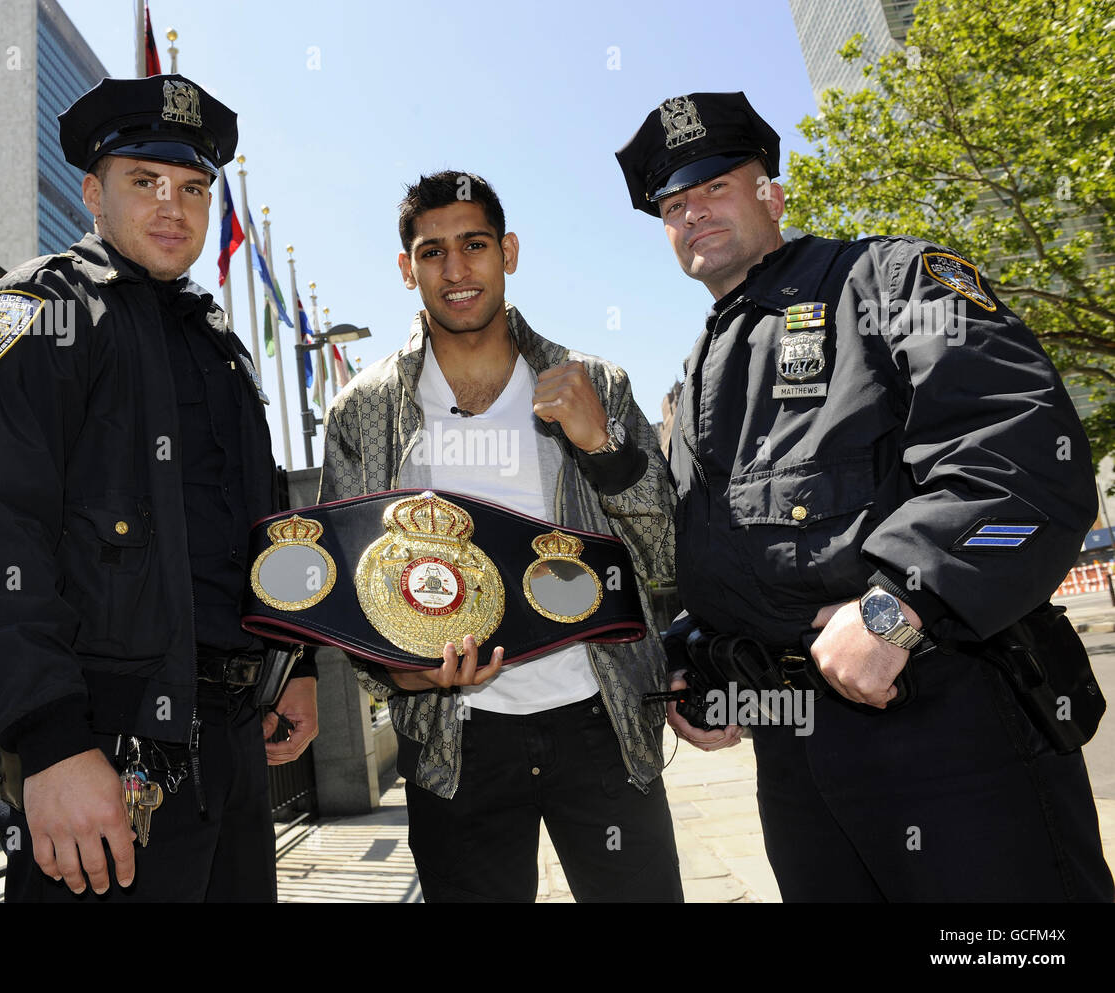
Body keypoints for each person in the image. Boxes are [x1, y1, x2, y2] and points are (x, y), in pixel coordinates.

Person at [616, 91, 1113, 901]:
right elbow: (741, 561)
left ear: (772, 192)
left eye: (716, 186)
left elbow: (1027, 465)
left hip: (948, 728)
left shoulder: (888, 282)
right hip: (797, 755)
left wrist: (898, 606)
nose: (694, 213)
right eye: (673, 204)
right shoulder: (705, 369)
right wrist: (697, 655)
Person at [0, 74, 318, 903]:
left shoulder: (220, 351)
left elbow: (264, 529)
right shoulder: (34, 316)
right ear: (93, 193)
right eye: (146, 181)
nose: (174, 205)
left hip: (235, 748)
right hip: (105, 746)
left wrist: (296, 663)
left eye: (194, 187)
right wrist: (49, 742)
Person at [317, 171, 682, 902]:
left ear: (508, 251)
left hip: (599, 722)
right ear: (406, 267)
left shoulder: (592, 384)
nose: (456, 271)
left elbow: (668, 555)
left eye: (474, 245)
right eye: (432, 252)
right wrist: (400, 673)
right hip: (455, 742)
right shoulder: (363, 411)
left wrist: (603, 448)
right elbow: (344, 588)